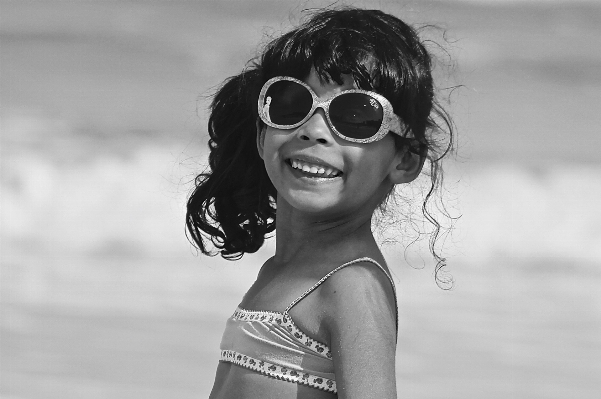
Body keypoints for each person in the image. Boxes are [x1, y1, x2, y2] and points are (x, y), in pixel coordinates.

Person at [186, 7, 454, 399]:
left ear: (405, 159)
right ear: (263, 136)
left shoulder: (352, 287)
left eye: (357, 117)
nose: (313, 131)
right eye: (291, 105)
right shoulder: (280, 270)